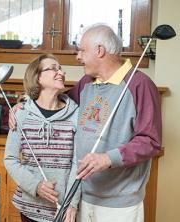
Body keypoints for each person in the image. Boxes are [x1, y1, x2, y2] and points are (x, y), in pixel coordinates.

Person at [9, 24, 162, 222]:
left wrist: (108, 158)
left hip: (118, 203)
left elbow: (151, 141)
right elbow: (54, 102)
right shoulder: (86, 83)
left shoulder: (140, 84)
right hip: (81, 196)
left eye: (81, 50)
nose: (78, 57)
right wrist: (22, 104)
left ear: (99, 51)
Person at [4, 54, 80, 222]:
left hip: (64, 210)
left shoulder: (76, 115)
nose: (60, 72)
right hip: (30, 208)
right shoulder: (22, 114)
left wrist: (72, 203)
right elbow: (10, 159)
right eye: (53, 68)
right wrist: (36, 186)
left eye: (60, 68)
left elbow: (78, 163)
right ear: (37, 77)